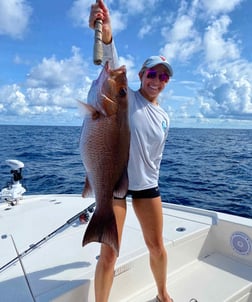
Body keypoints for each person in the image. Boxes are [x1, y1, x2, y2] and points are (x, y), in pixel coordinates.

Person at [89, 1, 174, 302]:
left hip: (148, 186)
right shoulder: (126, 99)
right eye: (152, 74)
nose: (157, 81)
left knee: (157, 246)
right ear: (141, 75)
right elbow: (112, 64)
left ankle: (163, 294)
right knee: (109, 255)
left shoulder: (165, 117)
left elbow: (155, 157)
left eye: (164, 77)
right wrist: (107, 34)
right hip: (116, 186)